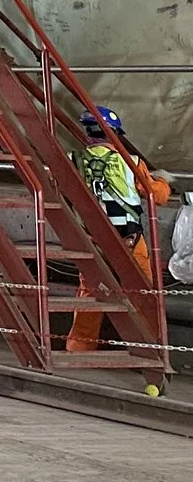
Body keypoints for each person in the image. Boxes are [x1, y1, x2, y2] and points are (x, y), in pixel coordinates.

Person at [67, 105, 173, 353]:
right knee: (143, 292)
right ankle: (147, 348)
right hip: (129, 238)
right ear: (115, 134)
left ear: (87, 134)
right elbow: (157, 196)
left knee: (91, 293)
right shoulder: (131, 162)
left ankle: (79, 346)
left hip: (92, 238)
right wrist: (164, 183)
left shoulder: (73, 160)